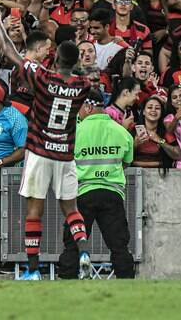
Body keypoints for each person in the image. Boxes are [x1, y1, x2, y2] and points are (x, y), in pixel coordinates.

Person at [0, 4, 93, 281]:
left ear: (56, 56)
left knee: (34, 212)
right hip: (65, 154)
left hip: (38, 151)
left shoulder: (44, 78)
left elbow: (13, 54)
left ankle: (33, 271)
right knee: (71, 210)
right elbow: (82, 73)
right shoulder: (82, 85)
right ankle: (84, 251)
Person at [58, 89, 135, 279]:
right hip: (112, 193)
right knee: (119, 246)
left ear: (88, 106)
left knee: (73, 244)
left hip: (82, 194)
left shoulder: (75, 133)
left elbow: (65, 164)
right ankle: (128, 285)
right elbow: (126, 162)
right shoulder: (122, 132)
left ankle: (65, 283)